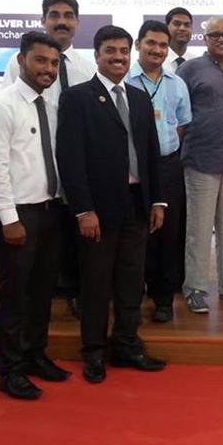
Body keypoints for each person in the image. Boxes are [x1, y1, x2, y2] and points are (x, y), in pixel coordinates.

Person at [56, 25, 167, 383]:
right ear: (97, 55)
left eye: (123, 51)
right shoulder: (77, 98)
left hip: (137, 204)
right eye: (111, 51)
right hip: (98, 210)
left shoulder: (139, 97)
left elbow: (151, 153)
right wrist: (83, 209)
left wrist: (157, 200)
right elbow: (70, 159)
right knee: (96, 283)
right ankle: (93, 352)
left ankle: (126, 346)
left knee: (131, 281)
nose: (118, 57)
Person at [0, 32, 71, 402]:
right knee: (14, 296)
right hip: (18, 216)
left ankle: (35, 355)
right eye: (40, 60)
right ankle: (10, 371)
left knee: (41, 293)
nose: (48, 68)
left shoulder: (52, 105)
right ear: (22, 61)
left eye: (53, 63)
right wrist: (9, 218)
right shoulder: (1, 106)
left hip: (51, 213)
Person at [1, 0, 95, 319]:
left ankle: (73, 291)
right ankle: (45, 295)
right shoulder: (17, 66)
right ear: (43, 20)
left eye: (68, 16)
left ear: (77, 22)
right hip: (36, 171)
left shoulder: (87, 67)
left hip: (77, 167)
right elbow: (10, 113)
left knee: (74, 238)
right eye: (54, 15)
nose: (61, 21)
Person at [176, 17, 223, 313]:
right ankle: (194, 288)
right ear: (205, 39)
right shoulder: (189, 69)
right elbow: (179, 112)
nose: (222, 39)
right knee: (198, 230)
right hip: (201, 160)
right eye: (215, 34)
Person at [126, 20, 193, 323]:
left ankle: (163, 299)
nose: (157, 50)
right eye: (151, 43)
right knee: (134, 233)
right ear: (138, 45)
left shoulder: (177, 84)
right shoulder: (124, 81)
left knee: (168, 234)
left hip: (167, 167)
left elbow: (182, 123)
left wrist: (162, 150)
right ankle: (131, 296)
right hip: (132, 170)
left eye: (163, 45)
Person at [164, 7, 194, 73]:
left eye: (187, 25)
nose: (182, 28)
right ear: (166, 27)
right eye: (177, 24)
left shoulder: (197, 64)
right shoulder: (157, 62)